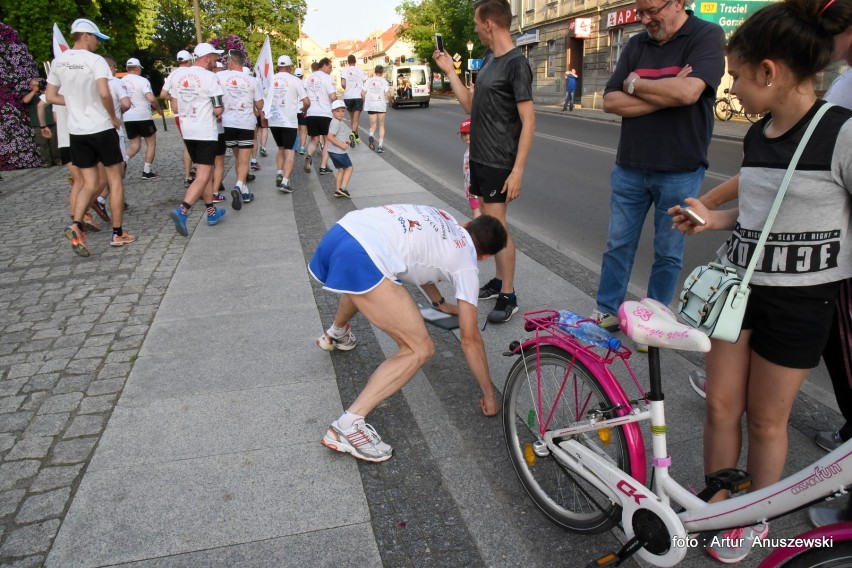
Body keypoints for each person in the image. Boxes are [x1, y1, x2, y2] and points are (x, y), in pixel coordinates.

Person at [669, 0, 852, 560]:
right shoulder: (757, 134)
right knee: (722, 406)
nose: (733, 88)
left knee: (770, 422)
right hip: (737, 291)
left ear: (768, 71)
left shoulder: (841, 134)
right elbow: (752, 217)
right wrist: (710, 219)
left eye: (737, 75)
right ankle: (720, 502)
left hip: (804, 303)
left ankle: (754, 518)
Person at [310, 205, 508, 462]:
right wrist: (489, 395)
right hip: (364, 254)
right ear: (484, 257)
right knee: (420, 348)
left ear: (468, 224)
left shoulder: (444, 217)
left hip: (343, 231)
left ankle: (337, 333)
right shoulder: (467, 264)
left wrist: (438, 304)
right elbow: (470, 339)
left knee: (365, 283)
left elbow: (421, 261)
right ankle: (348, 426)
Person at [588, 0, 725, 342]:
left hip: (680, 168)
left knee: (668, 252)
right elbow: (609, 101)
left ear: (679, 2)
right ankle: (606, 311)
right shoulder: (636, 43)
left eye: (652, 10)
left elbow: (690, 92)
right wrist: (668, 91)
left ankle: (656, 323)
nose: (646, 19)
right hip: (630, 165)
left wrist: (636, 84)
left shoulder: (705, 36)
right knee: (618, 244)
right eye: (641, 12)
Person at [433, 0, 535, 323]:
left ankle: (509, 294)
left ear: (490, 23)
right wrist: (450, 70)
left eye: (478, 23)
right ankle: (500, 282)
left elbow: (529, 121)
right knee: (491, 223)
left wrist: (517, 171)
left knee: (496, 226)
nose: (476, 29)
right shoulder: (491, 59)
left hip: (498, 160)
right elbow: (468, 105)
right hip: (479, 156)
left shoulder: (516, 64)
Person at [46, 18, 136, 255]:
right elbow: (104, 93)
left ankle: (76, 224)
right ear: (85, 35)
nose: (98, 42)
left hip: (77, 131)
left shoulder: (59, 62)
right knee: (114, 180)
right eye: (96, 37)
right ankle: (118, 233)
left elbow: (51, 96)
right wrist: (113, 117)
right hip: (101, 127)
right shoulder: (96, 61)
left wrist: (76, 102)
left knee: (88, 182)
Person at [168, 42, 227, 236]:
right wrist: (218, 111)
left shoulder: (177, 76)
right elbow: (218, 109)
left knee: (205, 174)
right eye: (215, 57)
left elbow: (175, 107)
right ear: (207, 57)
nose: (216, 60)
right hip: (205, 131)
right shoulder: (211, 77)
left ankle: (211, 212)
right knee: (203, 175)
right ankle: (183, 210)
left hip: (188, 129)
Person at [218, 50, 264, 206]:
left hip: (228, 123)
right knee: (244, 160)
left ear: (231, 62)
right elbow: (260, 105)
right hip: (245, 123)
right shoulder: (252, 80)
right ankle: (239, 186)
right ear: (243, 62)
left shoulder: (220, 77)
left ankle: (244, 191)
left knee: (238, 158)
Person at [265, 55, 309, 193]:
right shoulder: (295, 80)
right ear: (290, 67)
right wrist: (304, 110)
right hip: (289, 121)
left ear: (278, 66)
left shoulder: (270, 80)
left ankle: (279, 172)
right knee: (290, 151)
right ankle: (285, 181)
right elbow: (307, 101)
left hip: (274, 120)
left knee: (280, 148)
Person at [122, 57, 163, 179]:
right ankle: (146, 171)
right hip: (143, 116)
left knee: (135, 145)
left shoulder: (121, 81)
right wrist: (158, 108)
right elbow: (150, 98)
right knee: (151, 143)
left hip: (128, 117)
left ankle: (123, 162)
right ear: (138, 68)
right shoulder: (142, 81)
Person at [161, 50, 195, 188]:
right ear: (189, 60)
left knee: (188, 145)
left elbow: (163, 94)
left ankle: (187, 176)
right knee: (198, 144)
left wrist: (174, 98)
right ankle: (199, 174)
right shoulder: (193, 73)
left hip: (178, 115)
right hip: (193, 112)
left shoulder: (173, 74)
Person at [303, 57, 337, 174]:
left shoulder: (308, 78)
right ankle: (323, 167)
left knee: (314, 140)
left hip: (311, 113)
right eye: (330, 67)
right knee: (328, 140)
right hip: (325, 113)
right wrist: (335, 100)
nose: (331, 70)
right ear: (324, 65)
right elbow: (332, 97)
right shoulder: (327, 78)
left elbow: (303, 95)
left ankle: (308, 155)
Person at [24, 77, 59, 167]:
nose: (36, 87)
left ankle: (57, 160)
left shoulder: (45, 94)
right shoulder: (30, 95)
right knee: (43, 144)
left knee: (54, 143)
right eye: (34, 85)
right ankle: (46, 162)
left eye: (37, 85)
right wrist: (33, 91)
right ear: (30, 86)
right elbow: (25, 100)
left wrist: (44, 91)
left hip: (51, 122)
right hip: (38, 124)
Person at [325, 100, 354, 198]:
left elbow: (337, 135)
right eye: (337, 111)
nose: (341, 113)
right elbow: (330, 136)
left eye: (342, 111)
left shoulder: (337, 121)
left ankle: (338, 190)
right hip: (338, 151)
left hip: (333, 151)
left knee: (341, 170)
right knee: (349, 168)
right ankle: (343, 188)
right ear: (332, 112)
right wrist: (341, 145)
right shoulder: (336, 123)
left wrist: (345, 141)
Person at [362, 65, 392, 153]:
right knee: (381, 125)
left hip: (371, 105)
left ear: (375, 71)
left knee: (373, 125)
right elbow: (389, 94)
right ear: (382, 72)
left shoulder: (369, 80)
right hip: (381, 105)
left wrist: (366, 100)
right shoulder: (384, 81)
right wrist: (390, 102)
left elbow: (362, 93)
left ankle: (371, 135)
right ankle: (380, 146)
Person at [341, 54, 366, 144]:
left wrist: (346, 88)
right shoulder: (360, 71)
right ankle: (352, 134)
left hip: (348, 97)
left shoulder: (344, 71)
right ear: (355, 61)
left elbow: (343, 84)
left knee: (352, 118)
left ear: (348, 62)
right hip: (357, 96)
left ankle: (356, 136)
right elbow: (364, 82)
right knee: (356, 119)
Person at [459, 117, 481, 218]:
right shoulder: (469, 150)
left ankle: (481, 233)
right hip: (471, 192)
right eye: (464, 134)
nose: (467, 136)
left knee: (478, 215)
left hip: (478, 192)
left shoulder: (479, 150)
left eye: (470, 133)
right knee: (475, 213)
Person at [294, 67, 308, 153]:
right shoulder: (305, 84)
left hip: (294, 110)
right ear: (302, 76)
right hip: (303, 109)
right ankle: (302, 147)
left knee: (295, 129)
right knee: (304, 130)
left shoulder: (292, 83)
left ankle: (295, 146)